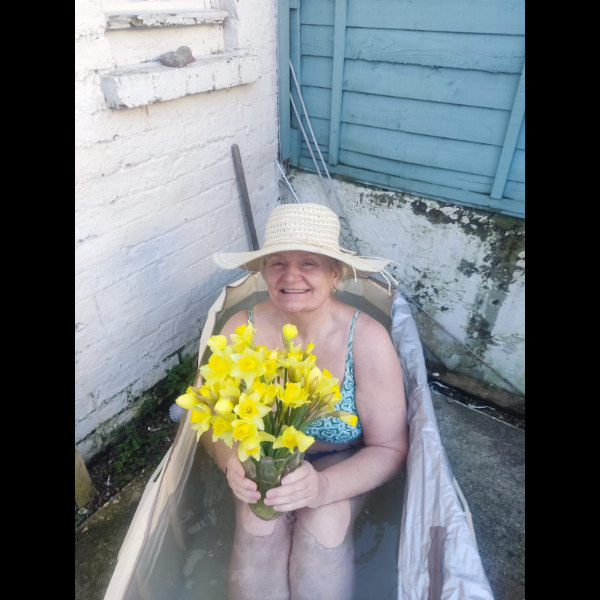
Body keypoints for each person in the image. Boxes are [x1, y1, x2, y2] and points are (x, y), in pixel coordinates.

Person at [204, 203, 408, 600]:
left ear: (335, 274)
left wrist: (323, 486)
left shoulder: (366, 339)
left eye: (309, 263)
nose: (290, 276)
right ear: (264, 272)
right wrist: (230, 460)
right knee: (258, 521)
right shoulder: (239, 330)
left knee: (325, 522)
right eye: (278, 263)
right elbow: (209, 413)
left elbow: (390, 447)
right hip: (261, 462)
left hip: (341, 459)